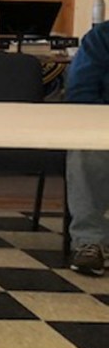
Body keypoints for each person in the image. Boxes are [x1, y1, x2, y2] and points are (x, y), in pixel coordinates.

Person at [64, 21, 109, 276]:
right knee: (87, 147)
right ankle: (90, 242)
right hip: (103, 123)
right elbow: (80, 92)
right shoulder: (102, 37)